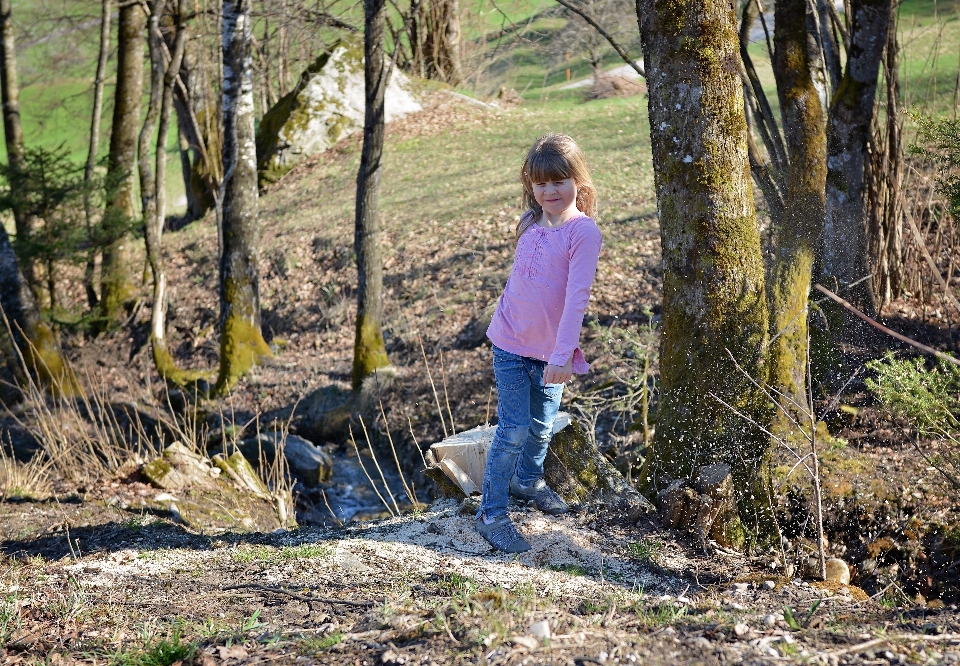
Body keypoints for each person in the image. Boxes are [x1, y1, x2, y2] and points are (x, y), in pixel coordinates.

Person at [476, 133, 603, 553]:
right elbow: (522, 283)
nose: (549, 191)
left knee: (543, 425)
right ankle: (491, 514)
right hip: (509, 344)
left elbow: (576, 299)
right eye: (540, 183)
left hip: (551, 354)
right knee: (512, 430)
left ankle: (528, 482)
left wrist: (562, 354)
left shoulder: (582, 233)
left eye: (558, 182)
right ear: (530, 184)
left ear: (578, 182)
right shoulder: (529, 223)